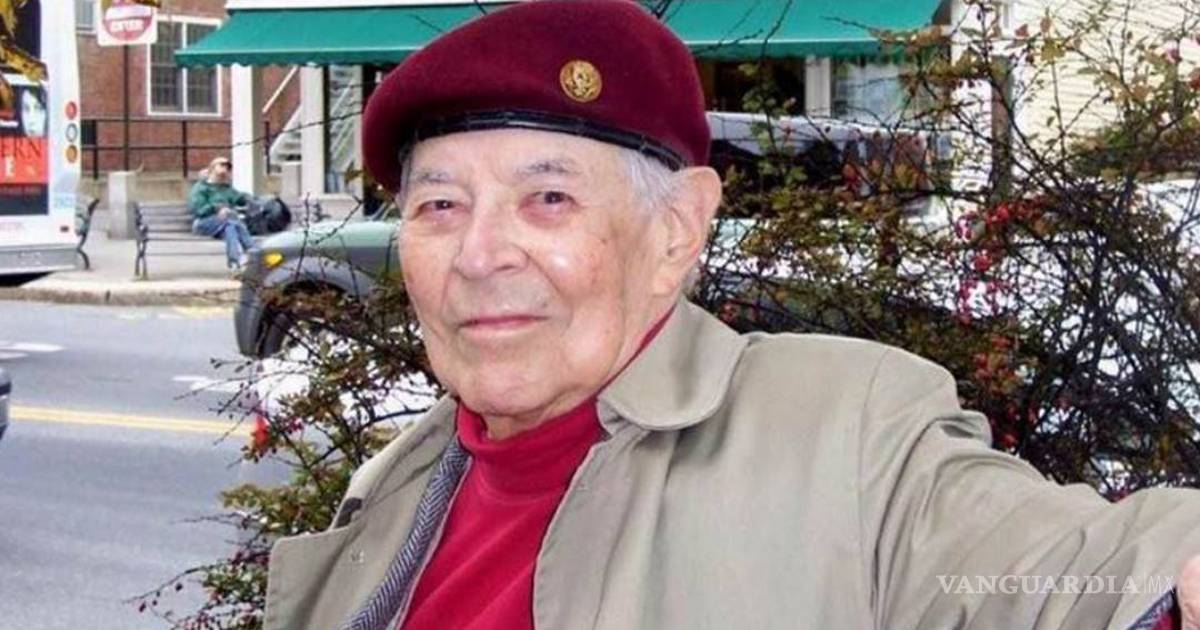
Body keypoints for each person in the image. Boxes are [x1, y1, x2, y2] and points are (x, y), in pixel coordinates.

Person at [263, 2, 1200, 630]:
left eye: (548, 199)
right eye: (439, 205)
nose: (479, 254)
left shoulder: (846, 438)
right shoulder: (395, 489)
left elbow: (1064, 574)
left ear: (676, 231)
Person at [188, 156, 254, 270]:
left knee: (230, 228)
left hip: (226, 223)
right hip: (203, 222)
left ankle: (234, 264)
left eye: (227, 167)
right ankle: (252, 253)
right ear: (212, 169)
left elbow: (241, 198)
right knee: (231, 221)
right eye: (222, 165)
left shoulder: (226, 188)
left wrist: (253, 199)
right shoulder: (201, 188)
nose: (225, 168)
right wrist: (217, 208)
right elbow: (198, 210)